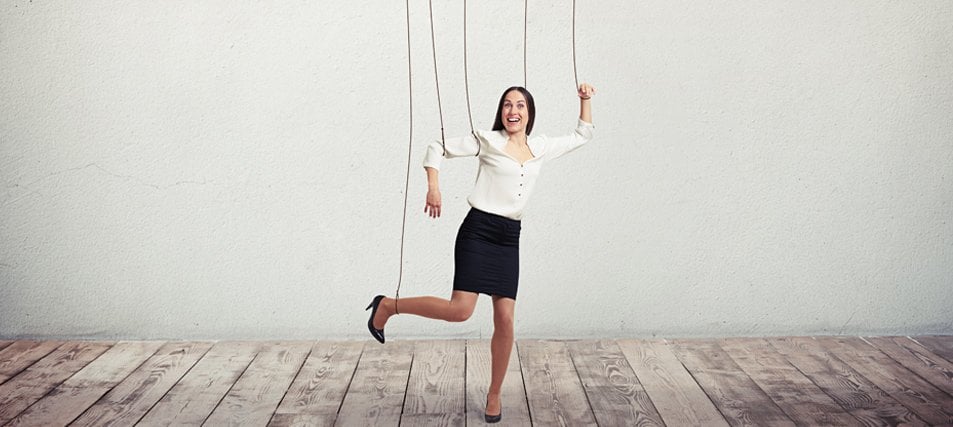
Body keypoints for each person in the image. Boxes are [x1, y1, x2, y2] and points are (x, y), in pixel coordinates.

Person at [366, 82, 596, 423]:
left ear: (529, 113)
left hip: (509, 238)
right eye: (506, 105)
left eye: (519, 105)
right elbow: (436, 147)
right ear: (500, 112)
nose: (512, 111)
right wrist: (433, 186)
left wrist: (585, 101)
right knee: (460, 311)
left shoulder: (541, 146)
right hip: (478, 232)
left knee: (505, 320)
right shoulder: (488, 141)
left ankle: (494, 393)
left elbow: (582, 135)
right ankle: (389, 305)